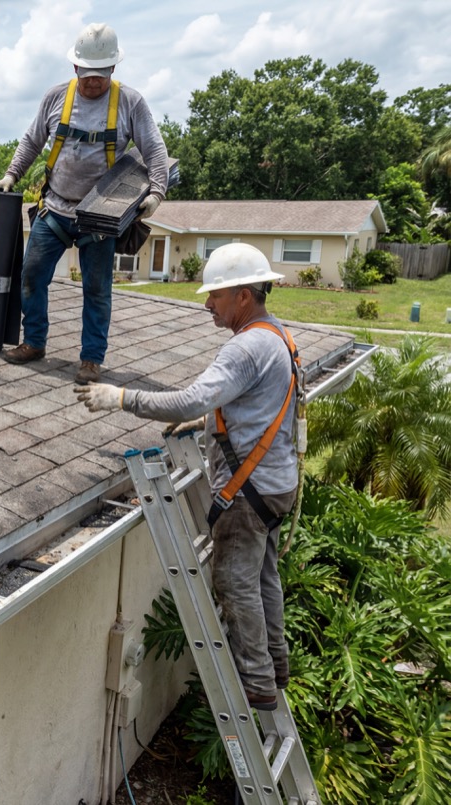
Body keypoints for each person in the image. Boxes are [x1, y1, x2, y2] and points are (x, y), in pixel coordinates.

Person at [73, 243, 301, 711]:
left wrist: (122, 398)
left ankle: (256, 683)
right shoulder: (278, 336)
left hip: (247, 494)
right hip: (276, 485)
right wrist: (207, 424)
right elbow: (258, 407)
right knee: (263, 578)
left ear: (243, 295)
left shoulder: (245, 347)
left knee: (235, 583)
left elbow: (190, 399)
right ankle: (275, 665)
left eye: (215, 295)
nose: (207, 304)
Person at [0, 22, 169, 384]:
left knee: (97, 290)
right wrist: (11, 174)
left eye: (101, 75)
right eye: (87, 74)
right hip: (55, 207)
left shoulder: (130, 103)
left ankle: (91, 359)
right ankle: (34, 342)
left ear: (113, 67)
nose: (93, 82)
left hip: (100, 216)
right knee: (31, 276)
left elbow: (154, 149)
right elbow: (31, 140)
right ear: (75, 66)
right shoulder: (56, 97)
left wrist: (156, 192)